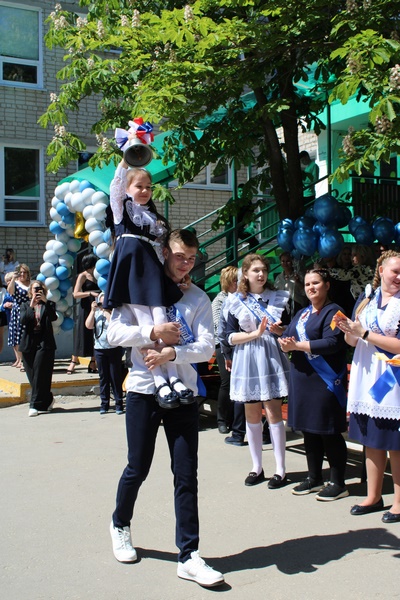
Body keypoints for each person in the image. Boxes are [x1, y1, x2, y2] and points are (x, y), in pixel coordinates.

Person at [106, 229, 224, 588]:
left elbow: (207, 346)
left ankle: (188, 555)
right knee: (137, 466)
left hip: (183, 393)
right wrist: (152, 332)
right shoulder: (138, 290)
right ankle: (119, 524)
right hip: (144, 390)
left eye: (191, 258)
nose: (185, 264)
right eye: (179, 256)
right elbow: (112, 334)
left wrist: (173, 353)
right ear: (164, 253)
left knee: (186, 474)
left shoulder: (198, 297)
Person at [103, 159, 193, 408]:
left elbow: (170, 248)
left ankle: (174, 377)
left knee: (162, 322)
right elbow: (116, 187)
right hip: (133, 275)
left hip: (152, 273)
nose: (144, 191)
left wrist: (179, 272)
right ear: (129, 189)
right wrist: (125, 160)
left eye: (148, 187)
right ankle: (159, 382)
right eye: (139, 186)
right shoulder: (123, 212)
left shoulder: (155, 219)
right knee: (146, 327)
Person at [335, 251, 400, 523]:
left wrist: (362, 333)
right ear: (381, 270)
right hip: (367, 375)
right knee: (372, 440)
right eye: (395, 270)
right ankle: (374, 496)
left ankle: (399, 501)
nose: (399, 276)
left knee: (395, 442)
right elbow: (355, 341)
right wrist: (347, 331)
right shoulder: (367, 298)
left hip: (392, 377)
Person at [278, 268, 349, 501]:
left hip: (324, 381)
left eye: (316, 283)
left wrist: (297, 346)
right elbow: (289, 337)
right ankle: (314, 476)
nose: (311, 288)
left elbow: (333, 343)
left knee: (328, 431)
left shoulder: (336, 311)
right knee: (309, 430)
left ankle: (338, 482)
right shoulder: (303, 313)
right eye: (307, 284)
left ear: (327, 285)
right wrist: (282, 339)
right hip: (302, 378)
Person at [221, 254, 290, 489]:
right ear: (246, 274)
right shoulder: (235, 301)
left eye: (263, 270)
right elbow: (229, 336)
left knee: (273, 412)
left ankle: (280, 470)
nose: (260, 274)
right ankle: (256, 467)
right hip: (246, 356)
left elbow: (289, 330)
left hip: (270, 356)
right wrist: (254, 334)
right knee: (251, 413)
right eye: (255, 271)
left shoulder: (278, 298)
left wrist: (279, 331)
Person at [19, 280, 57, 417]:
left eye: (40, 289)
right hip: (29, 342)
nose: (37, 291)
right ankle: (47, 399)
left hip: (44, 342)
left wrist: (45, 302)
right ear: (30, 291)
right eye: (35, 289)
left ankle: (33, 405)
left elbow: (53, 317)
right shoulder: (24, 305)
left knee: (41, 372)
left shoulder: (49, 304)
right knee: (33, 375)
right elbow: (23, 320)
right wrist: (31, 305)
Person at [85, 292, 124, 415]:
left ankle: (119, 404)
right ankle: (104, 404)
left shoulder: (115, 313)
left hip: (114, 348)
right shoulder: (96, 314)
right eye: (100, 302)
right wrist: (93, 310)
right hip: (99, 349)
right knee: (103, 378)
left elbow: (114, 324)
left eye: (104, 302)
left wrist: (106, 310)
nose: (102, 304)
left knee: (115, 377)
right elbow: (88, 326)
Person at [211, 265, 239, 434]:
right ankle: (222, 419)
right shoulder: (219, 300)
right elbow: (217, 326)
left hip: (239, 344)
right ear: (228, 282)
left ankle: (236, 421)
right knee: (227, 382)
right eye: (236, 281)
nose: (239, 283)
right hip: (222, 345)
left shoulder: (241, 299)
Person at [67, 253, 100, 375]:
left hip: (97, 306)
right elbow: (75, 294)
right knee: (82, 333)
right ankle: (74, 361)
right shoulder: (83, 276)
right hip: (86, 306)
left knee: (96, 333)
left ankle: (93, 361)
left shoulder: (99, 275)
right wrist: (90, 293)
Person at [225, 184, 258, 264]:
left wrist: (251, 226)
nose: (241, 193)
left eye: (242, 191)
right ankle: (231, 268)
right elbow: (226, 215)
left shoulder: (248, 202)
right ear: (237, 191)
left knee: (254, 242)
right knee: (231, 250)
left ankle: (251, 261)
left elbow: (251, 215)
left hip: (240, 227)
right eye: (239, 191)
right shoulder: (233, 200)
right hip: (231, 227)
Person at [7, 264, 31, 369]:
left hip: (29, 311)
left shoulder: (32, 283)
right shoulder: (16, 284)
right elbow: (10, 291)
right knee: (17, 336)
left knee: (26, 335)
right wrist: (13, 278)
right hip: (17, 312)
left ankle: (25, 360)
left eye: (24, 272)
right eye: (20, 272)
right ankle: (20, 360)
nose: (22, 274)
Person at [274, 251, 307, 318]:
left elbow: (305, 293)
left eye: (288, 261)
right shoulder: (279, 278)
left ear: (292, 262)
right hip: (283, 308)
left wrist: (298, 282)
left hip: (298, 307)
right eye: (283, 261)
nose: (285, 263)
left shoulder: (299, 276)